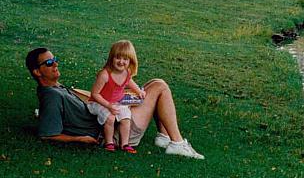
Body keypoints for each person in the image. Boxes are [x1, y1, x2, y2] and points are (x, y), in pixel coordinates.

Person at [25, 47, 204, 159]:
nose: (55, 64)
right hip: (115, 132)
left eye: (55, 59)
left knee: (149, 86)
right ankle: (177, 144)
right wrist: (80, 139)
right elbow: (47, 135)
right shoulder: (51, 95)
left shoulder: (56, 89)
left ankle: (164, 138)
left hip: (111, 115)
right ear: (37, 72)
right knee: (159, 87)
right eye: (49, 63)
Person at [87, 40, 145, 153]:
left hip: (116, 102)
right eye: (118, 58)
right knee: (110, 117)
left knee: (126, 117)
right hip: (99, 102)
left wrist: (138, 91)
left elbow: (130, 82)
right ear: (111, 58)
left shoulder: (126, 72)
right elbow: (95, 94)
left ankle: (125, 143)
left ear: (130, 61)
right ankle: (109, 142)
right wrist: (108, 105)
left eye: (125, 59)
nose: (121, 62)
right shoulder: (105, 75)